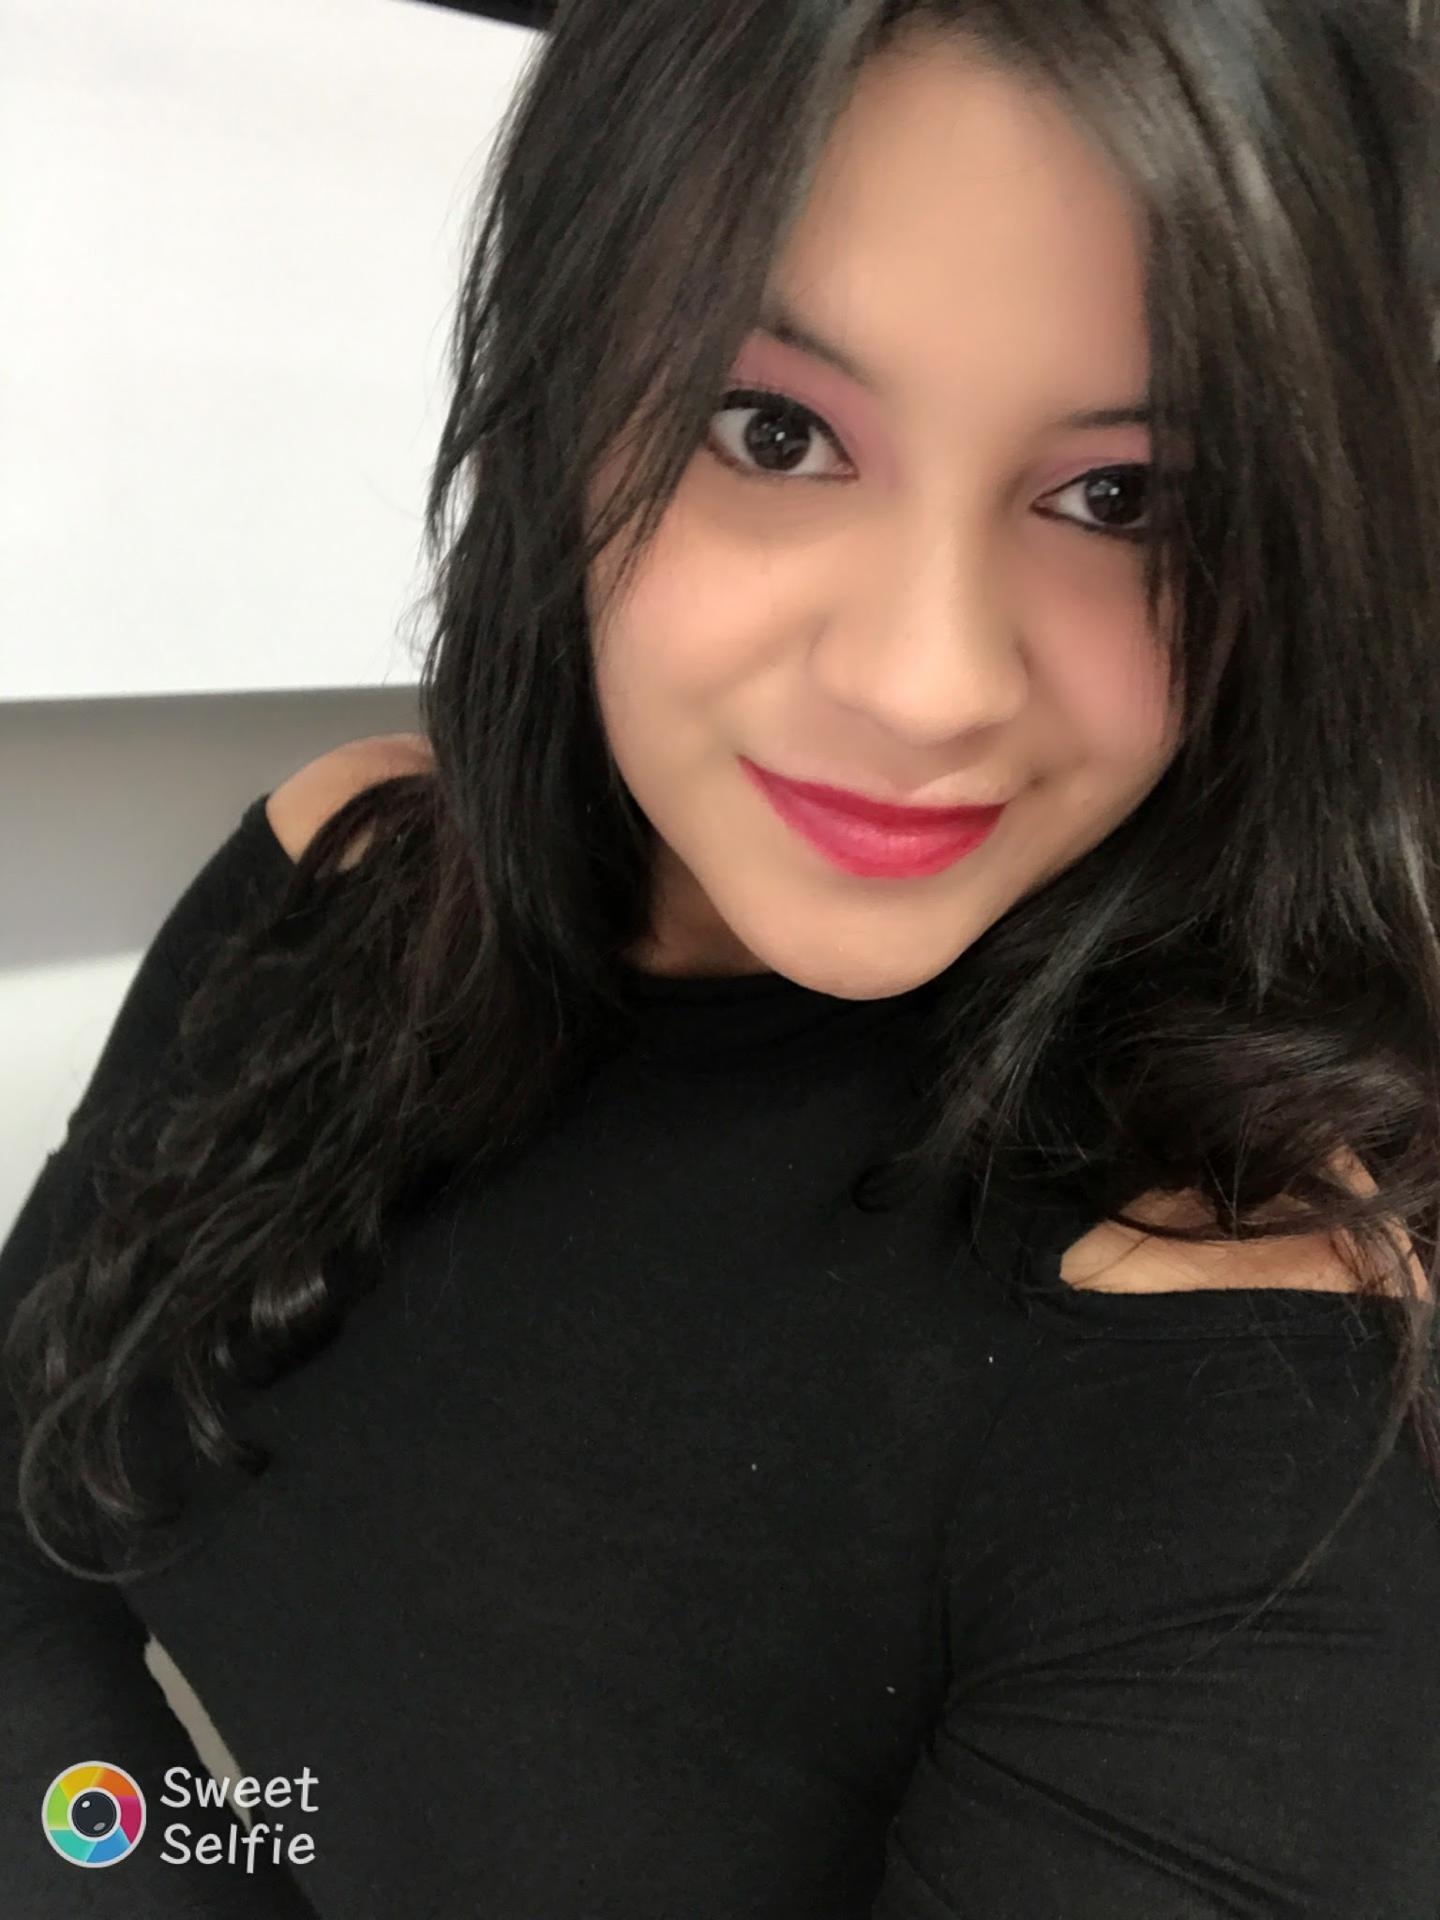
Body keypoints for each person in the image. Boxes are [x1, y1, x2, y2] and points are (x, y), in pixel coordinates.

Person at [5, 3, 1440, 1914]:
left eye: (1126, 497)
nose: (926, 681)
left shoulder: (1239, 1390)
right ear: (561, 398)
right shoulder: (343, 881)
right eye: (775, 432)